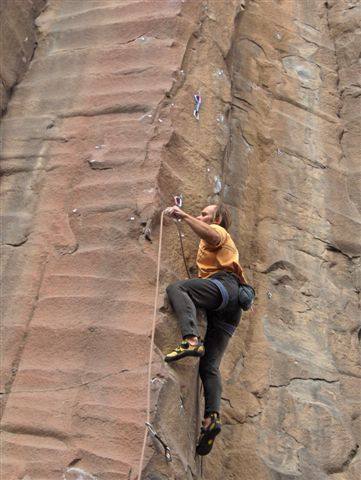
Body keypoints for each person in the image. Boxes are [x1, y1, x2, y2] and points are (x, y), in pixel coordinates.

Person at [164, 203, 247, 456]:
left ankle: (190, 339)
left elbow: (211, 234)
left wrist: (185, 215)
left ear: (217, 218)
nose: (201, 217)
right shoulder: (214, 245)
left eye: (205, 214)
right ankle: (212, 417)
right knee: (209, 366)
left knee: (178, 288)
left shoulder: (220, 233)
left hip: (225, 286)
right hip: (232, 307)